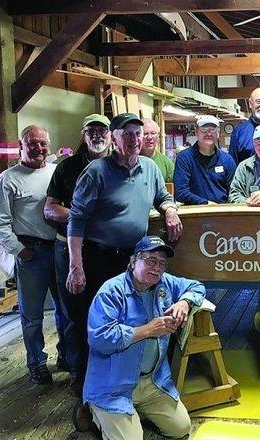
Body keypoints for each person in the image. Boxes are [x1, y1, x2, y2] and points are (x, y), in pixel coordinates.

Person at [66, 113, 182, 390]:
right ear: (114, 139)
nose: (134, 139)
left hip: (133, 260)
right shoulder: (96, 172)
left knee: (132, 318)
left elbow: (162, 196)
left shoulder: (150, 168)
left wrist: (169, 210)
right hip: (99, 258)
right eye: (126, 134)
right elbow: (76, 219)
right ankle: (87, 386)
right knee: (95, 322)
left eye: (138, 134)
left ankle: (129, 381)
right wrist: (75, 265)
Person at [75, 236, 205, 439]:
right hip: (114, 386)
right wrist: (147, 330)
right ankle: (92, 408)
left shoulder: (166, 283)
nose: (157, 268)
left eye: (162, 263)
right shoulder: (111, 291)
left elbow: (197, 287)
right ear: (133, 261)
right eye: (151, 260)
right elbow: (99, 338)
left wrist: (185, 302)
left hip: (152, 381)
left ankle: (135, 412)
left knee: (181, 428)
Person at [0, 125, 68, 385]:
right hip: (30, 253)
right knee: (32, 315)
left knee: (65, 308)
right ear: (21, 146)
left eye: (43, 143)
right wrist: (20, 251)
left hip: (58, 248)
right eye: (32, 143)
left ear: (49, 145)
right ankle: (36, 362)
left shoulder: (57, 172)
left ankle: (66, 356)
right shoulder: (8, 178)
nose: (38, 148)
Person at [44, 113, 112, 395]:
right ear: (84, 135)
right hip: (69, 250)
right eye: (91, 130)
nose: (97, 135)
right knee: (74, 312)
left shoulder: (119, 166)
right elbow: (50, 208)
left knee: (109, 310)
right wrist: (80, 216)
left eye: (102, 130)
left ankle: (108, 368)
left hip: (107, 251)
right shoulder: (67, 167)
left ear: (111, 135)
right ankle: (78, 372)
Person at [174, 115, 236, 205]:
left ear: (218, 133)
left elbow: (233, 191)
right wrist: (205, 203)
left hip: (222, 213)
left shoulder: (227, 160)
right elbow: (180, 192)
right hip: (194, 214)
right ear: (196, 132)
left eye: (212, 130)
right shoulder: (184, 158)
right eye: (204, 130)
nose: (209, 134)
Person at [141, 119, 174, 184]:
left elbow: (172, 190)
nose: (149, 137)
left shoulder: (167, 163)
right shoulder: (131, 161)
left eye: (153, 133)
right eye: (145, 134)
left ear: (158, 136)